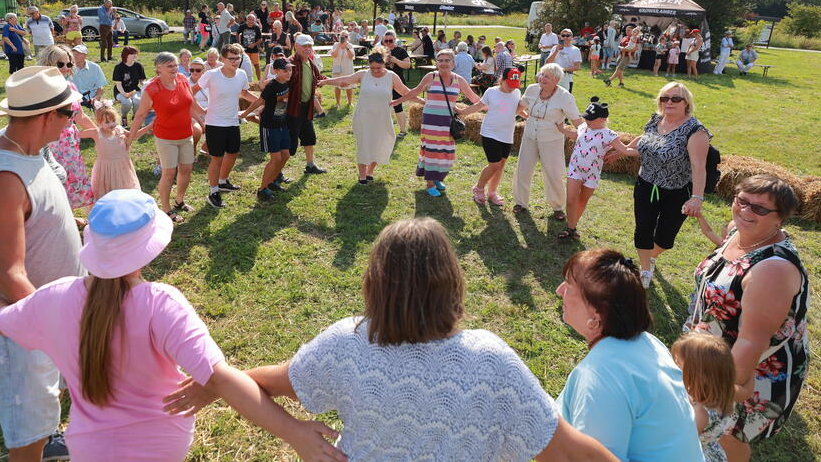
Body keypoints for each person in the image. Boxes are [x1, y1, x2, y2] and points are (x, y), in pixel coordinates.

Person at [166, 218, 615, 461]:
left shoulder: (348, 342)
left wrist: (220, 384)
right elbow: (568, 451)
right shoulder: (492, 359)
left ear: (374, 282)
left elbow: (268, 382)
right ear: (453, 282)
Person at [0, 189, 345, 462]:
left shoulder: (52, 298)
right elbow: (219, 378)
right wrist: (294, 431)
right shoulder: (159, 302)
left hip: (89, 448)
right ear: (150, 248)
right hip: (163, 444)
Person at [0, 66, 87, 461]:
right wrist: (56, 330)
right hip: (29, 328)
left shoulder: (23, 148)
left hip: (45, 316)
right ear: (47, 117)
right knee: (28, 431)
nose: (72, 122)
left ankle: (48, 438)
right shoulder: (5, 176)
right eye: (69, 114)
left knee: (43, 410)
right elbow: (11, 274)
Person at [687, 175, 809, 462]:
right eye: (741, 201)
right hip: (712, 356)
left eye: (759, 209)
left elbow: (751, 342)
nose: (745, 211)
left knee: (729, 434)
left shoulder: (773, 270)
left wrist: (714, 389)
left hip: (746, 371)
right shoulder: (736, 233)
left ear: (781, 218)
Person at [556, 248, 703, 461]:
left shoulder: (600, 376)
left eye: (569, 286)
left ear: (596, 316)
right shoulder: (648, 343)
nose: (560, 291)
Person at [615, 82, 709, 288]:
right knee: (643, 229)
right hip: (646, 185)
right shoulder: (655, 120)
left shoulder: (695, 130)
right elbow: (646, 138)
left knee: (666, 239)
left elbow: (699, 166)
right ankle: (645, 268)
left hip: (676, 191)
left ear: (686, 103)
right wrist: (623, 149)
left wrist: (696, 197)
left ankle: (651, 255)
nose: (669, 102)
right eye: (664, 98)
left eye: (675, 98)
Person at [391, 49, 481, 196]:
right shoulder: (430, 77)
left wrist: (492, 106)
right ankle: (430, 183)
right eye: (440, 60)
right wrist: (398, 101)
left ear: (453, 63)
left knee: (445, 152)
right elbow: (414, 91)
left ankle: (438, 176)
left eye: (447, 60)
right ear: (436, 63)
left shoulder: (459, 80)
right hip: (431, 121)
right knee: (432, 151)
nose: (443, 63)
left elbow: (474, 98)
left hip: (448, 121)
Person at [129, 52, 205, 222]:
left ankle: (179, 201)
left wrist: (202, 118)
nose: (174, 69)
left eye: (176, 65)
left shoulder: (183, 80)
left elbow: (190, 103)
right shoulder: (152, 88)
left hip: (186, 134)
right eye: (170, 66)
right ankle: (166, 209)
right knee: (169, 173)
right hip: (166, 137)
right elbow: (141, 114)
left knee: (186, 169)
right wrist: (130, 138)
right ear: (159, 68)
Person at [319, 50, 413, 184]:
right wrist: (327, 81)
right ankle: (362, 175)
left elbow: (405, 92)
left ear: (384, 63)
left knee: (380, 143)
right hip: (363, 116)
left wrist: (424, 101)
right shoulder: (363, 75)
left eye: (378, 68)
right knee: (364, 144)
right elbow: (345, 80)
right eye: (372, 68)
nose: (375, 71)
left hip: (382, 117)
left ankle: (370, 171)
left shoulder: (391, 76)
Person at [554, 98, 638, 239]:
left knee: (582, 201)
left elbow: (626, 150)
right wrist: (562, 130)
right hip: (575, 169)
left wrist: (645, 150)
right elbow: (576, 136)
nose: (587, 121)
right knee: (570, 200)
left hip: (592, 174)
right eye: (586, 117)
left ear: (602, 119)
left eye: (591, 119)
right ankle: (570, 227)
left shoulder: (609, 135)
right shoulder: (583, 127)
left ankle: (572, 227)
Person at [193, 44, 260, 209]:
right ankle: (213, 191)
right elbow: (191, 91)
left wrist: (260, 101)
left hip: (232, 121)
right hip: (215, 123)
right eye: (232, 58)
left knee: (233, 153)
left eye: (238, 58)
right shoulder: (211, 75)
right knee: (217, 158)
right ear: (222, 59)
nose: (235, 61)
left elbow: (243, 93)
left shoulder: (242, 74)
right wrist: (200, 110)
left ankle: (222, 182)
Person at [512, 63, 583, 218]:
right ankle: (520, 202)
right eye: (542, 74)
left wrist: (588, 136)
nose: (542, 78)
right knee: (523, 169)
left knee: (554, 173)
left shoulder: (565, 97)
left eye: (547, 77)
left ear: (556, 80)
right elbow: (519, 108)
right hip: (530, 135)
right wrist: (522, 117)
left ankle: (557, 207)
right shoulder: (531, 89)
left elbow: (577, 121)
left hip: (552, 140)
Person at [39, 45, 97, 210]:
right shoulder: (42, 87)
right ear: (49, 64)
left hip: (70, 143)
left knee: (72, 178)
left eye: (69, 64)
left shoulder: (71, 86)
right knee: (53, 181)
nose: (65, 68)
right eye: (60, 64)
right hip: (50, 143)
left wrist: (98, 132)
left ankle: (69, 215)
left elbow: (80, 116)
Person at [457, 68, 522, 206]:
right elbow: (478, 106)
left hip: (507, 134)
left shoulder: (517, 92)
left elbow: (516, 109)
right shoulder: (491, 92)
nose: (512, 88)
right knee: (494, 164)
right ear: (502, 80)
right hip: (490, 133)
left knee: (501, 165)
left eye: (514, 85)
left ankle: (492, 192)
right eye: (509, 84)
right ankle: (479, 188)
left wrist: (530, 116)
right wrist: (462, 111)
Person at [671, 333, 740, 462]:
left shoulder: (701, 414)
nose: (675, 368)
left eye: (679, 365)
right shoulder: (721, 396)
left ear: (698, 376)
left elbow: (678, 442)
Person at [237, 58, 295, 201]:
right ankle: (262, 189)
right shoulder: (272, 86)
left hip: (283, 123)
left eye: (290, 69)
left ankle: (273, 181)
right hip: (269, 126)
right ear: (275, 72)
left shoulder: (288, 82)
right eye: (285, 70)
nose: (289, 72)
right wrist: (244, 114)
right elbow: (259, 101)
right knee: (276, 158)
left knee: (286, 155)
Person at [80, 101, 148, 199]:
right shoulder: (96, 133)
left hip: (122, 168)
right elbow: (78, 134)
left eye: (113, 120)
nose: (112, 124)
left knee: (124, 193)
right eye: (107, 122)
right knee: (106, 193)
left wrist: (150, 126)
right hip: (105, 169)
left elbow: (135, 135)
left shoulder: (119, 129)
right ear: (99, 122)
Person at [287, 35, 328, 176]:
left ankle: (310, 165)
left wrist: (339, 82)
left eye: (310, 46)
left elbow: (320, 78)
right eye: (304, 46)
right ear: (296, 46)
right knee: (289, 144)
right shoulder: (290, 63)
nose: (308, 48)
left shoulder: (310, 62)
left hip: (306, 108)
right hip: (292, 110)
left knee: (309, 138)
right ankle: (277, 174)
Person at [113, 46, 147, 126]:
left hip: (134, 90)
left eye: (135, 54)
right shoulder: (118, 67)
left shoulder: (138, 66)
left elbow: (142, 81)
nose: (135, 55)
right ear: (126, 55)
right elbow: (118, 84)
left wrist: (146, 86)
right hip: (120, 91)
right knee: (127, 102)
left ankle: (136, 116)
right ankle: (124, 117)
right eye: (132, 54)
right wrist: (124, 94)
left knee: (137, 101)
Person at [71, 43, 107, 109]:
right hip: (73, 97)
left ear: (85, 55)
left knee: (103, 109)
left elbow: (100, 87)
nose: (75, 56)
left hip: (91, 96)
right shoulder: (68, 67)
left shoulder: (95, 67)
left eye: (78, 53)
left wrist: (96, 98)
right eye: (73, 53)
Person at [329, 31, 355, 107]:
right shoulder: (335, 44)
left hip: (347, 67)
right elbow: (334, 55)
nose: (344, 38)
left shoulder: (350, 45)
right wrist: (339, 46)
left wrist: (346, 47)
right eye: (342, 37)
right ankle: (337, 103)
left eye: (346, 36)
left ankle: (350, 102)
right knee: (337, 85)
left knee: (349, 85)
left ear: (348, 38)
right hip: (337, 67)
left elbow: (351, 56)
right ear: (339, 37)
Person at [238, 13, 264, 80]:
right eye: (249, 19)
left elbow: (260, 39)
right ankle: (242, 80)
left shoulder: (256, 27)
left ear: (254, 21)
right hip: (244, 50)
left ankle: (259, 81)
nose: (251, 21)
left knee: (257, 65)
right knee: (243, 66)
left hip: (254, 50)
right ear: (247, 20)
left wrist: (254, 44)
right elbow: (237, 34)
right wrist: (239, 43)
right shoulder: (242, 26)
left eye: (253, 20)